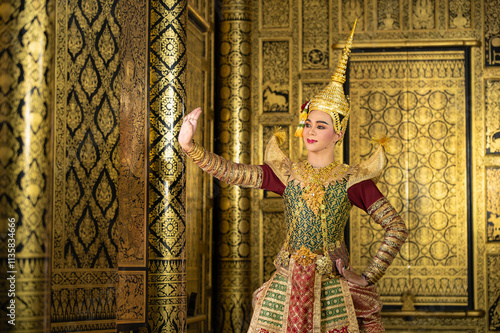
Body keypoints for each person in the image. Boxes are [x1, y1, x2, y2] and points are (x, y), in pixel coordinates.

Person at [179, 21, 408, 333]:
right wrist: (189, 146)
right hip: (286, 285)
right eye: (309, 123)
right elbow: (233, 173)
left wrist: (368, 276)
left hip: (333, 288)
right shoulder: (287, 173)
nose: (311, 131)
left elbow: (396, 227)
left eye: (321, 125)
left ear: (338, 133)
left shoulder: (353, 180)